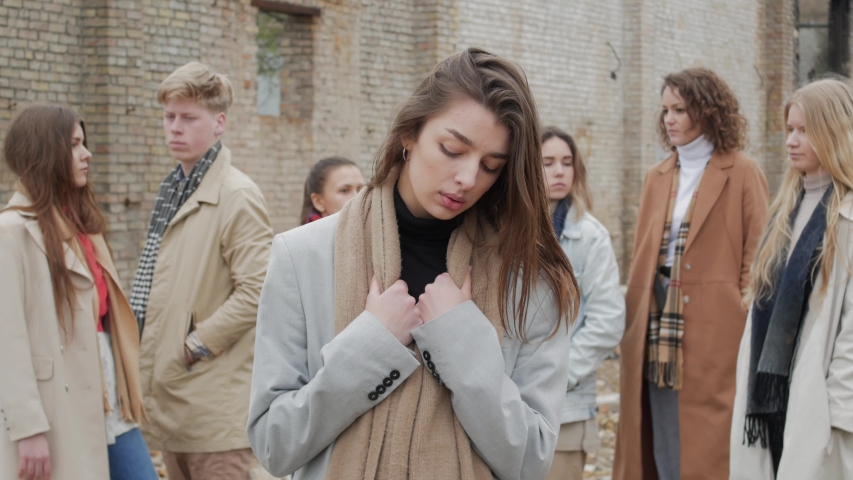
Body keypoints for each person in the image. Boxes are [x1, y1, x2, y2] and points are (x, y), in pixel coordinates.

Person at [247, 47, 579, 480]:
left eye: (491, 166)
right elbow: (274, 443)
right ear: (409, 134)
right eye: (452, 149)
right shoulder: (302, 255)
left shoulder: (527, 278)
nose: (468, 178)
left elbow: (532, 461)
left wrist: (460, 342)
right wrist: (370, 348)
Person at [613, 68, 769, 480]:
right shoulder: (657, 176)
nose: (670, 119)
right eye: (666, 110)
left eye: (680, 109)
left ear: (708, 110)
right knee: (659, 427)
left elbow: (758, 256)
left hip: (717, 330)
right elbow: (644, 256)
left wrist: (738, 306)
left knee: (711, 440)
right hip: (657, 324)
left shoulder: (742, 172)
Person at [129, 62, 273, 480]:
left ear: (219, 122)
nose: (175, 128)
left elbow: (259, 290)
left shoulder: (237, 194)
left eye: (189, 118)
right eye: (169, 117)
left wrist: (192, 346)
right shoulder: (172, 187)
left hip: (213, 408)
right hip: (174, 402)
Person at [0, 105, 155, 479]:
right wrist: (28, 429)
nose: (87, 154)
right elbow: (8, 339)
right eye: (75, 145)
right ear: (45, 153)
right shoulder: (11, 232)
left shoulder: (85, 227)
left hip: (109, 397)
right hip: (56, 409)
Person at [730, 78, 853, 479]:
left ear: (833, 131)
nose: (791, 141)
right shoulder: (783, 212)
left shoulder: (847, 218)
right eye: (790, 130)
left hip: (820, 404)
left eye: (804, 130)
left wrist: (838, 414)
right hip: (769, 401)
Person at [541, 126, 625, 480]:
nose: (559, 171)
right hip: (503, 408)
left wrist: (555, 375)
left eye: (566, 162)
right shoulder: (497, 230)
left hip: (565, 411)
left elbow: (607, 322)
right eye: (547, 163)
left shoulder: (591, 237)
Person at [301, 156, 365, 224]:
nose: (358, 197)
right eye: (344, 191)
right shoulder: (303, 234)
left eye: (360, 190)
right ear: (318, 201)